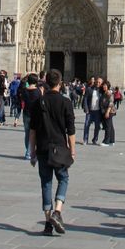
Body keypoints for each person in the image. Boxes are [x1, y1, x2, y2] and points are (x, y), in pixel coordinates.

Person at [29, 68, 76, 236]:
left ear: (46, 82)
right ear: (60, 83)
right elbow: (71, 131)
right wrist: (72, 151)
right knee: (63, 178)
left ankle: (48, 223)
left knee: (46, 183)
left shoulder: (38, 102)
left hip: (42, 148)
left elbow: (32, 131)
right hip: (59, 148)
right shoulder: (65, 102)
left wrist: (32, 152)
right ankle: (58, 210)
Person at [19, 73, 41, 159]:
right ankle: (28, 153)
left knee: (27, 133)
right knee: (33, 134)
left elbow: (22, 99)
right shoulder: (38, 91)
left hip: (26, 113)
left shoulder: (24, 90)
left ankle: (28, 150)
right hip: (35, 114)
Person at [100, 80, 116, 147]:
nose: (104, 86)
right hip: (107, 111)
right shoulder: (104, 92)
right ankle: (112, 141)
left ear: (108, 86)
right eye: (103, 85)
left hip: (109, 111)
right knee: (110, 126)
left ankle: (106, 141)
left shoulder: (109, 93)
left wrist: (107, 112)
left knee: (107, 126)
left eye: (105, 85)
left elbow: (111, 103)